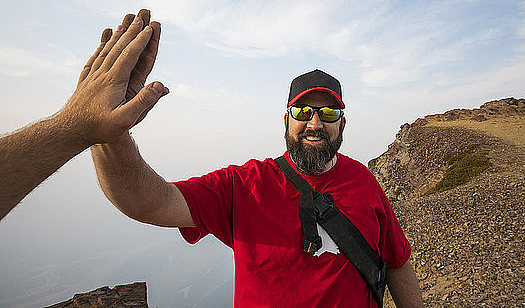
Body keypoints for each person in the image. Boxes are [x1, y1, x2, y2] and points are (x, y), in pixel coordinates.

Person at [91, 62, 424, 304]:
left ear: (342, 123)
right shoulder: (244, 185)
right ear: (286, 119)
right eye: (303, 111)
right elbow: (147, 202)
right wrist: (107, 133)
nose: (315, 123)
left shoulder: (363, 182)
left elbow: (397, 260)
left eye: (329, 114)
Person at [0, 9, 169, 220]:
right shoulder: (224, 185)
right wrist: (105, 123)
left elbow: (156, 205)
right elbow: (152, 203)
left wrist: (75, 125)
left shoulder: (225, 183)